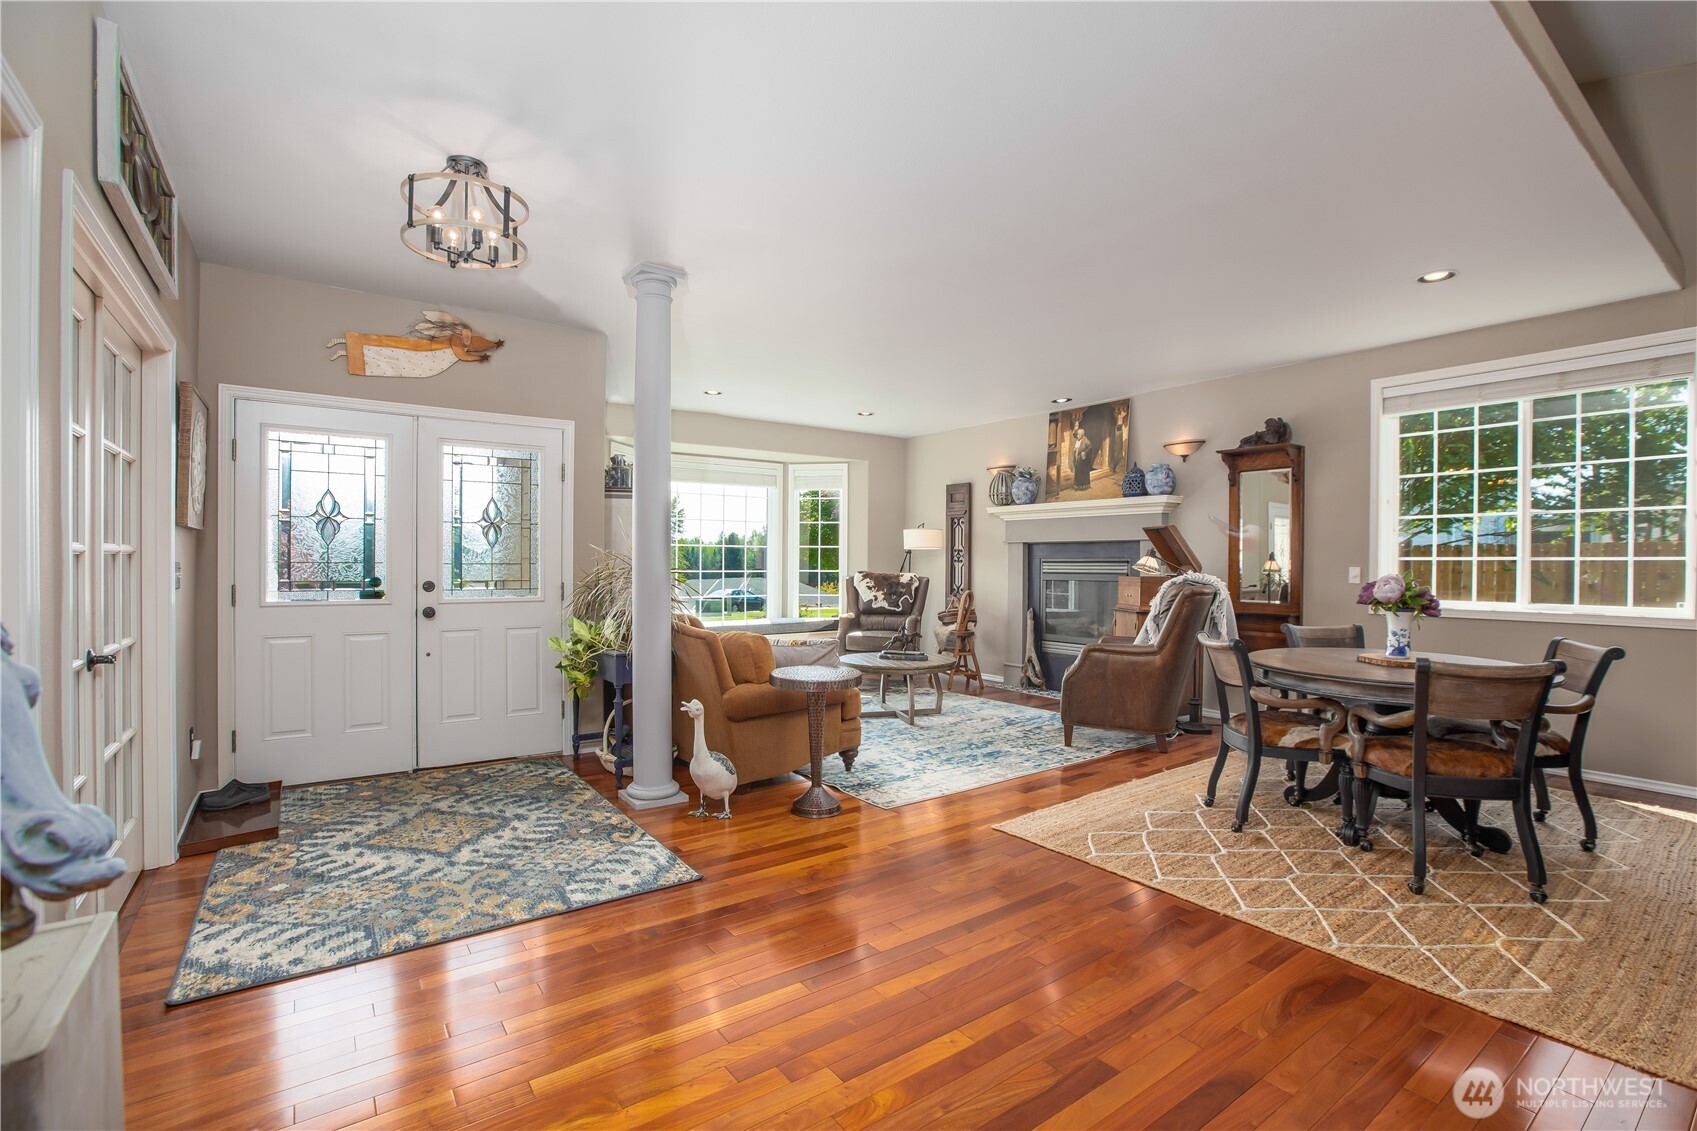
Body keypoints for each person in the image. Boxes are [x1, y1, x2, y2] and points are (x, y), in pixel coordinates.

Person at [1071, 423, 1094, 490]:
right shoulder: (1077, 440)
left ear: (1082, 434)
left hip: (1083, 460)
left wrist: (1084, 453)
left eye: (1079, 434)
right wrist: (1075, 449)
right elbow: (1076, 447)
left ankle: (1084, 485)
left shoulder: (1086, 441)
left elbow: (1090, 447)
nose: (1077, 435)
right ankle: (1078, 485)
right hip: (1078, 459)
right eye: (1077, 434)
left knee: (1083, 473)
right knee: (1078, 472)